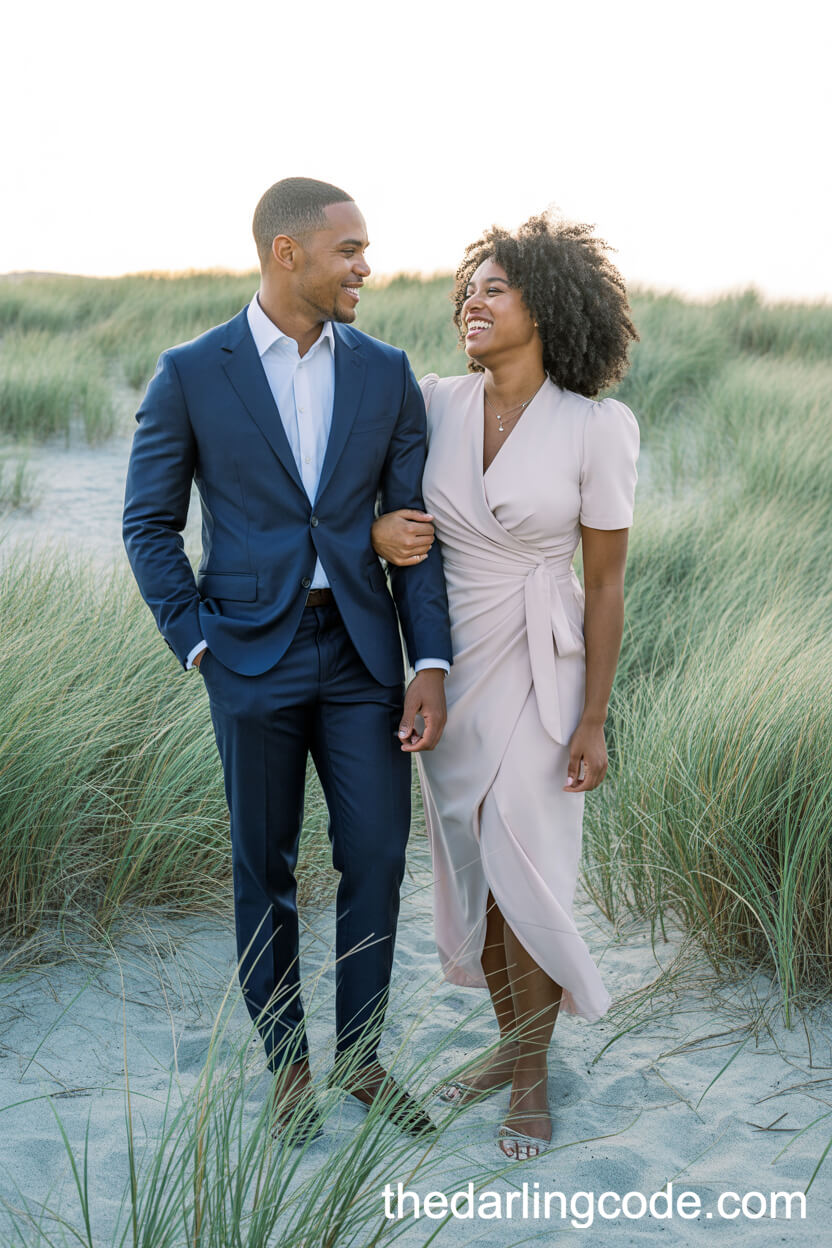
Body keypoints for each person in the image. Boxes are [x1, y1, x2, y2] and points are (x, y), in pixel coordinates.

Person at [123, 177, 452, 1143]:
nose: (366, 268)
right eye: (350, 250)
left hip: (361, 656)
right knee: (261, 868)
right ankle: (289, 1066)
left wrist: (427, 660)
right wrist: (196, 643)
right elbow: (149, 525)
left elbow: (414, 533)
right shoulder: (191, 372)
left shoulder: (387, 371)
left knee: (379, 857)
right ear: (287, 254)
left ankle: (360, 1058)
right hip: (248, 656)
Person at [371, 213, 639, 1160]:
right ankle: (506, 1042)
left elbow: (603, 582)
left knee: (525, 859)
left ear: (549, 307)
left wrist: (594, 717)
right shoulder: (434, 401)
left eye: (497, 287)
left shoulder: (596, 427)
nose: (473, 302)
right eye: (469, 289)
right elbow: (385, 513)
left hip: (542, 663)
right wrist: (375, 537)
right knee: (481, 868)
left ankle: (531, 1074)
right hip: (450, 665)